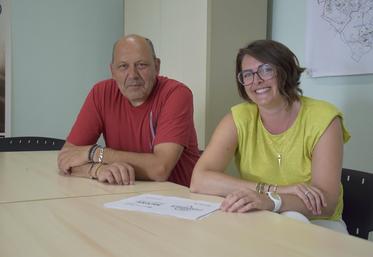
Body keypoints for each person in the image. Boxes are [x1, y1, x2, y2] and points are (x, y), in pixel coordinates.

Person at [190, 39, 350, 233]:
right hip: (261, 217)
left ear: (285, 71)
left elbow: (326, 203)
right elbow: (199, 181)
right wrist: (273, 191)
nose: (256, 81)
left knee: (291, 220)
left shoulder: (324, 118)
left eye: (266, 70)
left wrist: (271, 201)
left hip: (320, 225)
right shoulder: (238, 118)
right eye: (247, 75)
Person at [58, 34, 200, 187]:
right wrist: (97, 170)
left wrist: (95, 153)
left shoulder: (176, 94)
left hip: (177, 198)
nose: (132, 75)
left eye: (141, 65)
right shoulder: (101, 93)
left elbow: (160, 168)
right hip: (126, 194)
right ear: (112, 71)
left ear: (157, 67)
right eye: (123, 66)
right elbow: (66, 157)